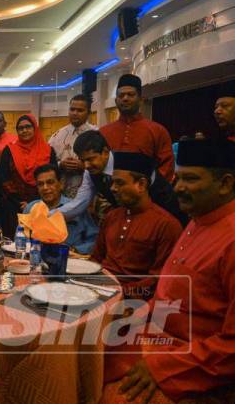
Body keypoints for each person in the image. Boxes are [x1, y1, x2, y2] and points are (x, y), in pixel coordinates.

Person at [102, 139, 235, 404]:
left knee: (113, 395)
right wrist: (140, 311)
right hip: (158, 334)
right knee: (87, 357)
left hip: (195, 365)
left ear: (225, 184)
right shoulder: (197, 220)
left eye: (191, 179)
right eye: (177, 178)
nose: (179, 188)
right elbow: (173, 294)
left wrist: (161, 368)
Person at [91, 152, 182, 299]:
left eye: (119, 183)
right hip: (98, 291)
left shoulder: (166, 225)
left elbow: (157, 279)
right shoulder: (112, 216)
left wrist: (120, 292)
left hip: (133, 301)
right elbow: (96, 258)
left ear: (141, 185)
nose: (113, 188)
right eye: (112, 182)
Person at [59, 131, 187, 227]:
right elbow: (79, 203)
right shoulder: (91, 172)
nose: (86, 165)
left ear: (104, 152)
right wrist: (47, 216)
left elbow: (157, 194)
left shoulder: (132, 162)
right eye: (82, 160)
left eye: (90, 159)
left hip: (167, 214)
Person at [100, 74, 175, 182]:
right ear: (116, 101)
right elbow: (96, 165)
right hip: (110, 192)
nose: (125, 98)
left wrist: (151, 190)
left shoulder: (158, 131)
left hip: (146, 194)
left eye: (130, 94)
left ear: (140, 99)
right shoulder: (103, 132)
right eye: (121, 95)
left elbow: (166, 167)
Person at [0, 114, 56, 236]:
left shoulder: (48, 151)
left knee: (39, 238)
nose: (24, 131)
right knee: (14, 241)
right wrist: (19, 202)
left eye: (28, 127)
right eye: (20, 128)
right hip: (13, 206)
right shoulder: (9, 151)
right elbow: (4, 178)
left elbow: (53, 179)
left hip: (42, 204)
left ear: (35, 128)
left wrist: (32, 203)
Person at [25, 164, 98, 254]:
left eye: (50, 182)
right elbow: (21, 238)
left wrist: (76, 250)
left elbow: (94, 239)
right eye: (40, 184)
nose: (45, 188)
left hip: (72, 260)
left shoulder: (76, 208)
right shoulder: (31, 208)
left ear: (61, 184)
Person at [48, 94, 97, 198]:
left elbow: (105, 165)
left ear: (88, 113)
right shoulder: (58, 135)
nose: (75, 113)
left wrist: (84, 166)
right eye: (72, 109)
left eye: (80, 110)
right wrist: (61, 164)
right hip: (61, 192)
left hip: (89, 191)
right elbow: (47, 162)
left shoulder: (97, 134)